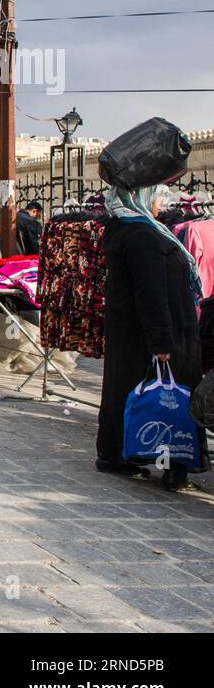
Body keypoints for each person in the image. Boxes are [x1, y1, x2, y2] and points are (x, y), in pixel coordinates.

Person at [98, 183, 205, 490]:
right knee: (171, 396)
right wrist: (161, 341)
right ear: (141, 198)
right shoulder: (142, 235)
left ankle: (117, 454)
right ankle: (173, 464)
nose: (161, 204)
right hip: (156, 332)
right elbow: (151, 291)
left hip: (131, 332)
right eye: (157, 197)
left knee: (124, 390)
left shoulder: (127, 228)